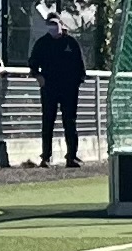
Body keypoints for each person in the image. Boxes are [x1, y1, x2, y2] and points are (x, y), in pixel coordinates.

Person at [27, 12, 87, 167]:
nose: (53, 28)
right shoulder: (42, 43)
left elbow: (80, 66)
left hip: (69, 89)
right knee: (48, 121)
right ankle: (46, 157)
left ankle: (71, 156)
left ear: (61, 24)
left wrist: (76, 83)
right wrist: (38, 76)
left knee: (70, 122)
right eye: (50, 25)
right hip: (49, 88)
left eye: (55, 24)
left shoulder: (71, 42)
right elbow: (33, 63)